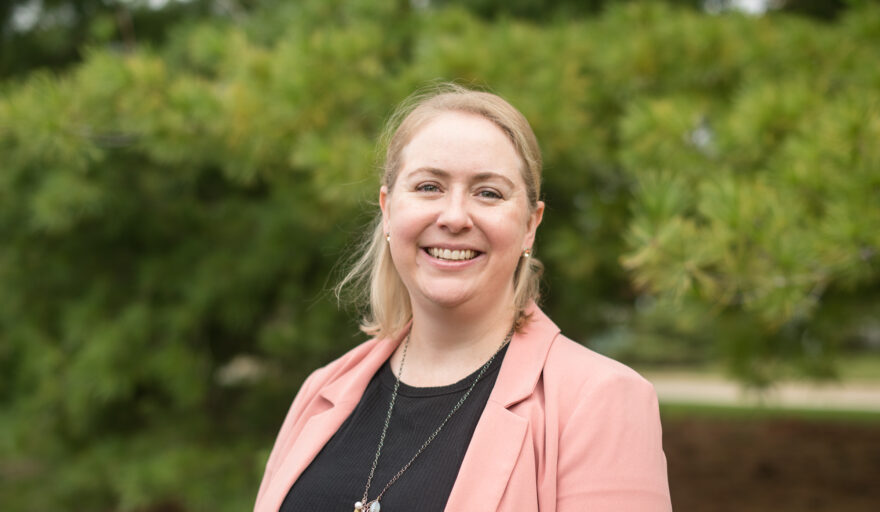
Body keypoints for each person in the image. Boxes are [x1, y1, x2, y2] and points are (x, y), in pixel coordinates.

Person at [254, 84, 672, 512]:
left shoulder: (600, 400)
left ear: (530, 224)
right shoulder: (321, 390)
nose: (454, 217)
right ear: (388, 209)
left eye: (488, 192)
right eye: (429, 187)